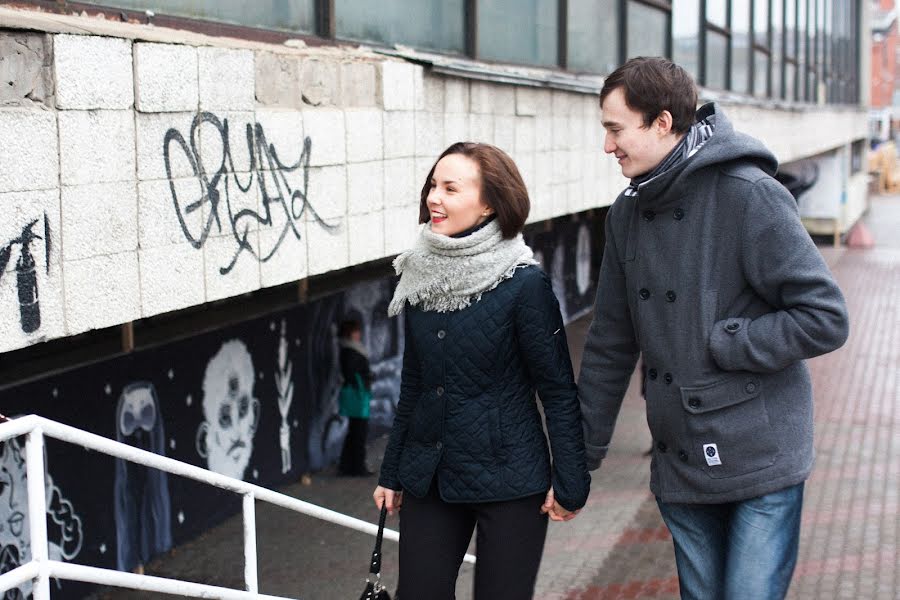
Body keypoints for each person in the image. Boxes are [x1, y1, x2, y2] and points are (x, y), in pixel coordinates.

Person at [578, 57, 849, 600]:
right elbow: (610, 343)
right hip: (681, 458)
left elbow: (825, 317)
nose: (607, 146)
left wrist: (731, 341)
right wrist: (580, 455)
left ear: (661, 122)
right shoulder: (627, 213)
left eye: (614, 129)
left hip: (760, 455)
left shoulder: (748, 194)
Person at [372, 142, 591, 599]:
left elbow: (556, 388)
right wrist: (391, 473)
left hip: (510, 479)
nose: (434, 197)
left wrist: (571, 479)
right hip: (430, 475)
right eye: (433, 185)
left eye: (451, 188)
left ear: (490, 202)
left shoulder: (524, 283)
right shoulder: (420, 275)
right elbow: (414, 384)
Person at [338, 317, 375, 476]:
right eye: (356, 331)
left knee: (354, 431)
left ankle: (347, 465)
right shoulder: (350, 351)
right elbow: (352, 374)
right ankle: (357, 467)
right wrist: (367, 379)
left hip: (356, 394)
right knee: (359, 432)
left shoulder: (349, 349)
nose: (359, 334)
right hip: (357, 396)